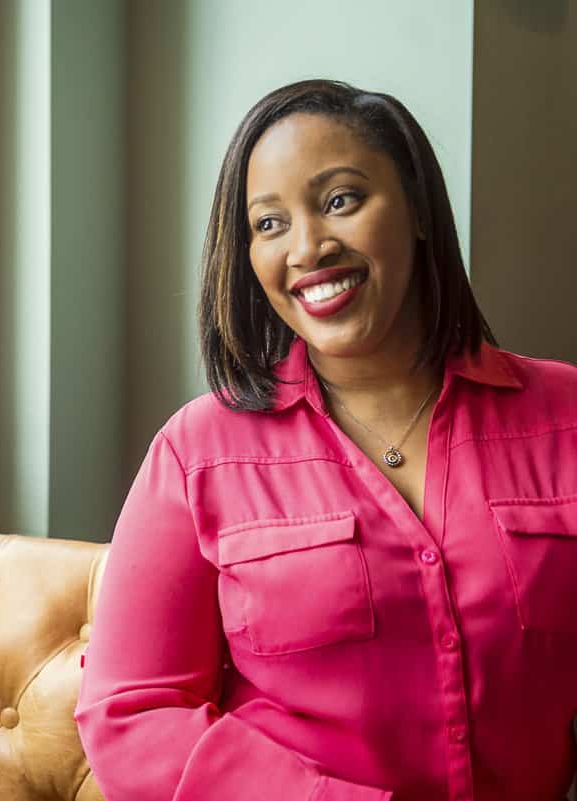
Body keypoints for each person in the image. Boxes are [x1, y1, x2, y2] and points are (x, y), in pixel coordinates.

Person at [73, 79, 577, 801]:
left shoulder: (566, 415)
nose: (308, 248)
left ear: (418, 210)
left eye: (340, 200)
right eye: (269, 223)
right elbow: (130, 713)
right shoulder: (198, 451)